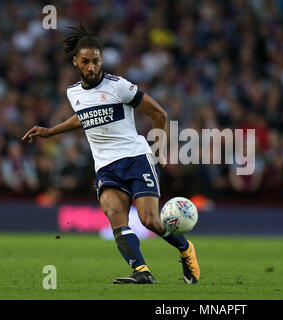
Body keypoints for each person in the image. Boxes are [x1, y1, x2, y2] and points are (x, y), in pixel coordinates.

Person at [22, 25, 200, 285]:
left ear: (101, 60)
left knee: (150, 221)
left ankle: (186, 249)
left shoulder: (120, 87)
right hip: (105, 167)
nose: (91, 67)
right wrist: (50, 131)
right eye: (85, 62)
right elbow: (84, 117)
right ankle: (141, 272)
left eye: (95, 61)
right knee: (116, 218)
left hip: (136, 159)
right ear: (76, 62)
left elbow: (159, 114)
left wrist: (159, 152)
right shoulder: (73, 93)